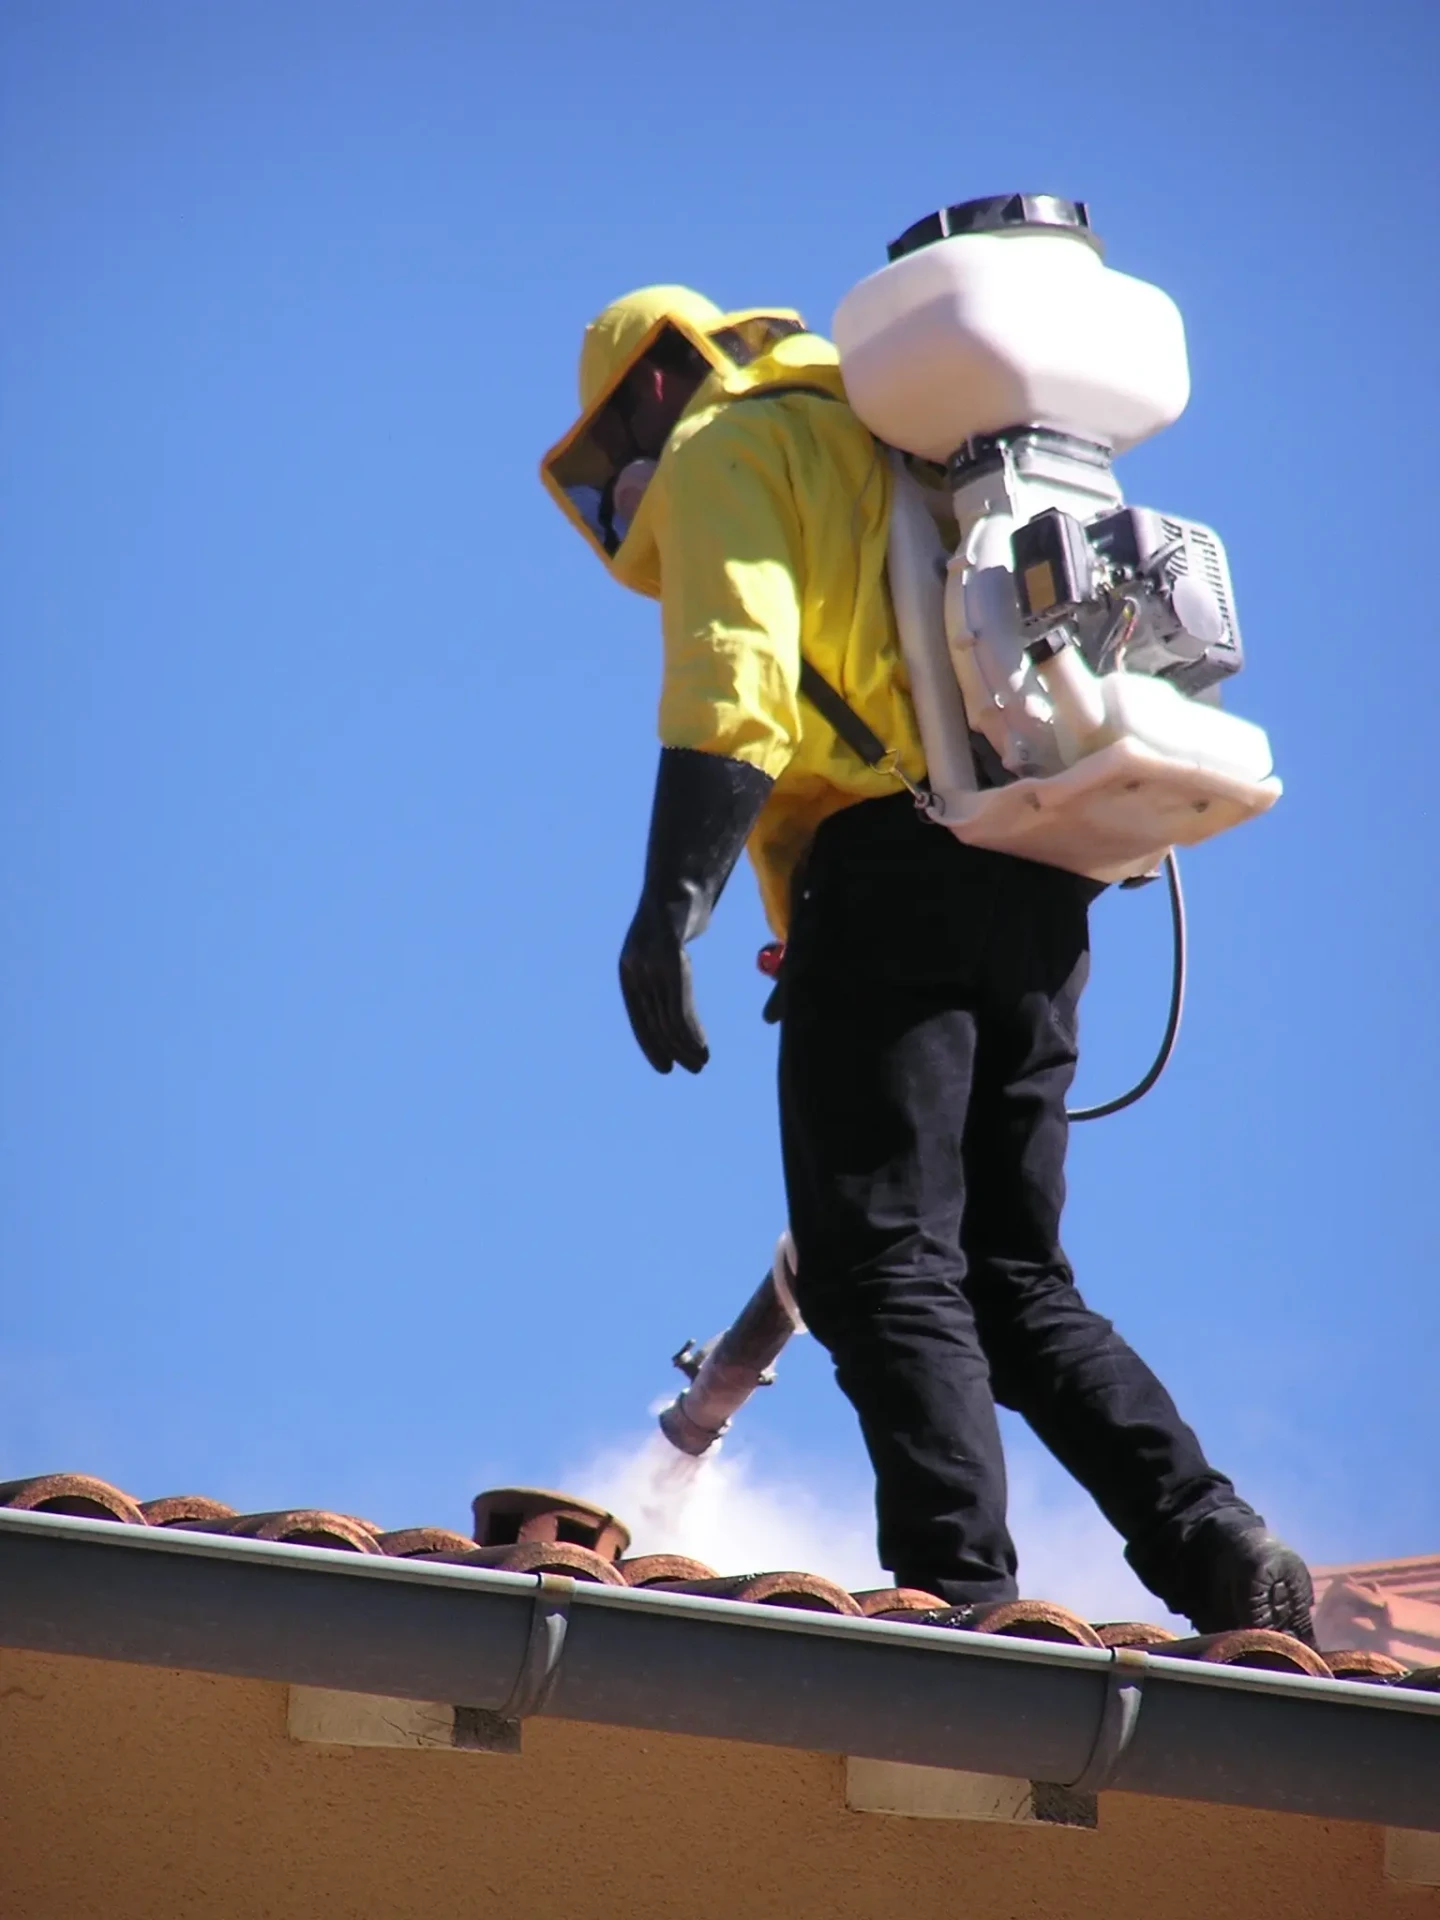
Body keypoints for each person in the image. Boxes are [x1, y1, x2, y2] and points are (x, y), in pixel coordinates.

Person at [541, 284, 1316, 1639]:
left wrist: (673, 902)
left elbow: (737, 675)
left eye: (621, 453)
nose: (629, 491)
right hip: (1037, 874)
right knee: (1012, 1277)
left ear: (654, 389)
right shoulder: (894, 436)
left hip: (888, 868)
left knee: (878, 1261)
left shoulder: (737, 444)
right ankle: (1219, 1548)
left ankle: (958, 1597)